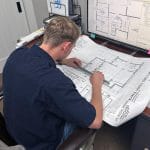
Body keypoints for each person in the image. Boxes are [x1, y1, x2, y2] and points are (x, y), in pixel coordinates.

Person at [3, 16, 104, 150]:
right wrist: (96, 85)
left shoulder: (18, 54)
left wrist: (61, 61)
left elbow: (38, 61)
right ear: (66, 46)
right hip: (40, 143)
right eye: (72, 47)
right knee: (88, 117)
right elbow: (95, 121)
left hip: (15, 130)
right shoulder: (55, 82)